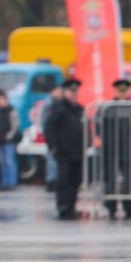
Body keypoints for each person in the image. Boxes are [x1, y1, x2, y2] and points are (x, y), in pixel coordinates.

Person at [100, 79, 131, 219]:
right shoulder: (108, 108)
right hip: (111, 150)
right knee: (111, 180)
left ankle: (129, 207)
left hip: (129, 149)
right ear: (115, 91)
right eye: (120, 91)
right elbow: (100, 128)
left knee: (129, 180)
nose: (123, 93)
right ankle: (111, 207)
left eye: (125, 91)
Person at [44, 79, 84, 220]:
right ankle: (63, 206)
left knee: (75, 180)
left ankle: (71, 206)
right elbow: (49, 128)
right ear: (65, 92)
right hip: (63, 151)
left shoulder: (79, 109)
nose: (73, 94)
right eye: (70, 91)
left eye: (75, 92)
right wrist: (53, 146)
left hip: (77, 151)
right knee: (64, 180)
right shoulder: (58, 108)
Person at [0, 89, 19, 190]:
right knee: (2, 163)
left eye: (2, 100)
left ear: (6, 100)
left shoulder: (11, 111)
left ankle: (12, 182)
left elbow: (15, 125)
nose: (0, 102)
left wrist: (9, 136)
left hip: (8, 140)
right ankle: (4, 182)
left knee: (9, 162)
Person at [41, 86, 63, 192]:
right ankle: (51, 181)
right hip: (53, 136)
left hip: (59, 136)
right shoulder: (49, 104)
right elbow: (45, 122)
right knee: (52, 159)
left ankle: (55, 180)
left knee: (56, 160)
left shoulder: (59, 103)